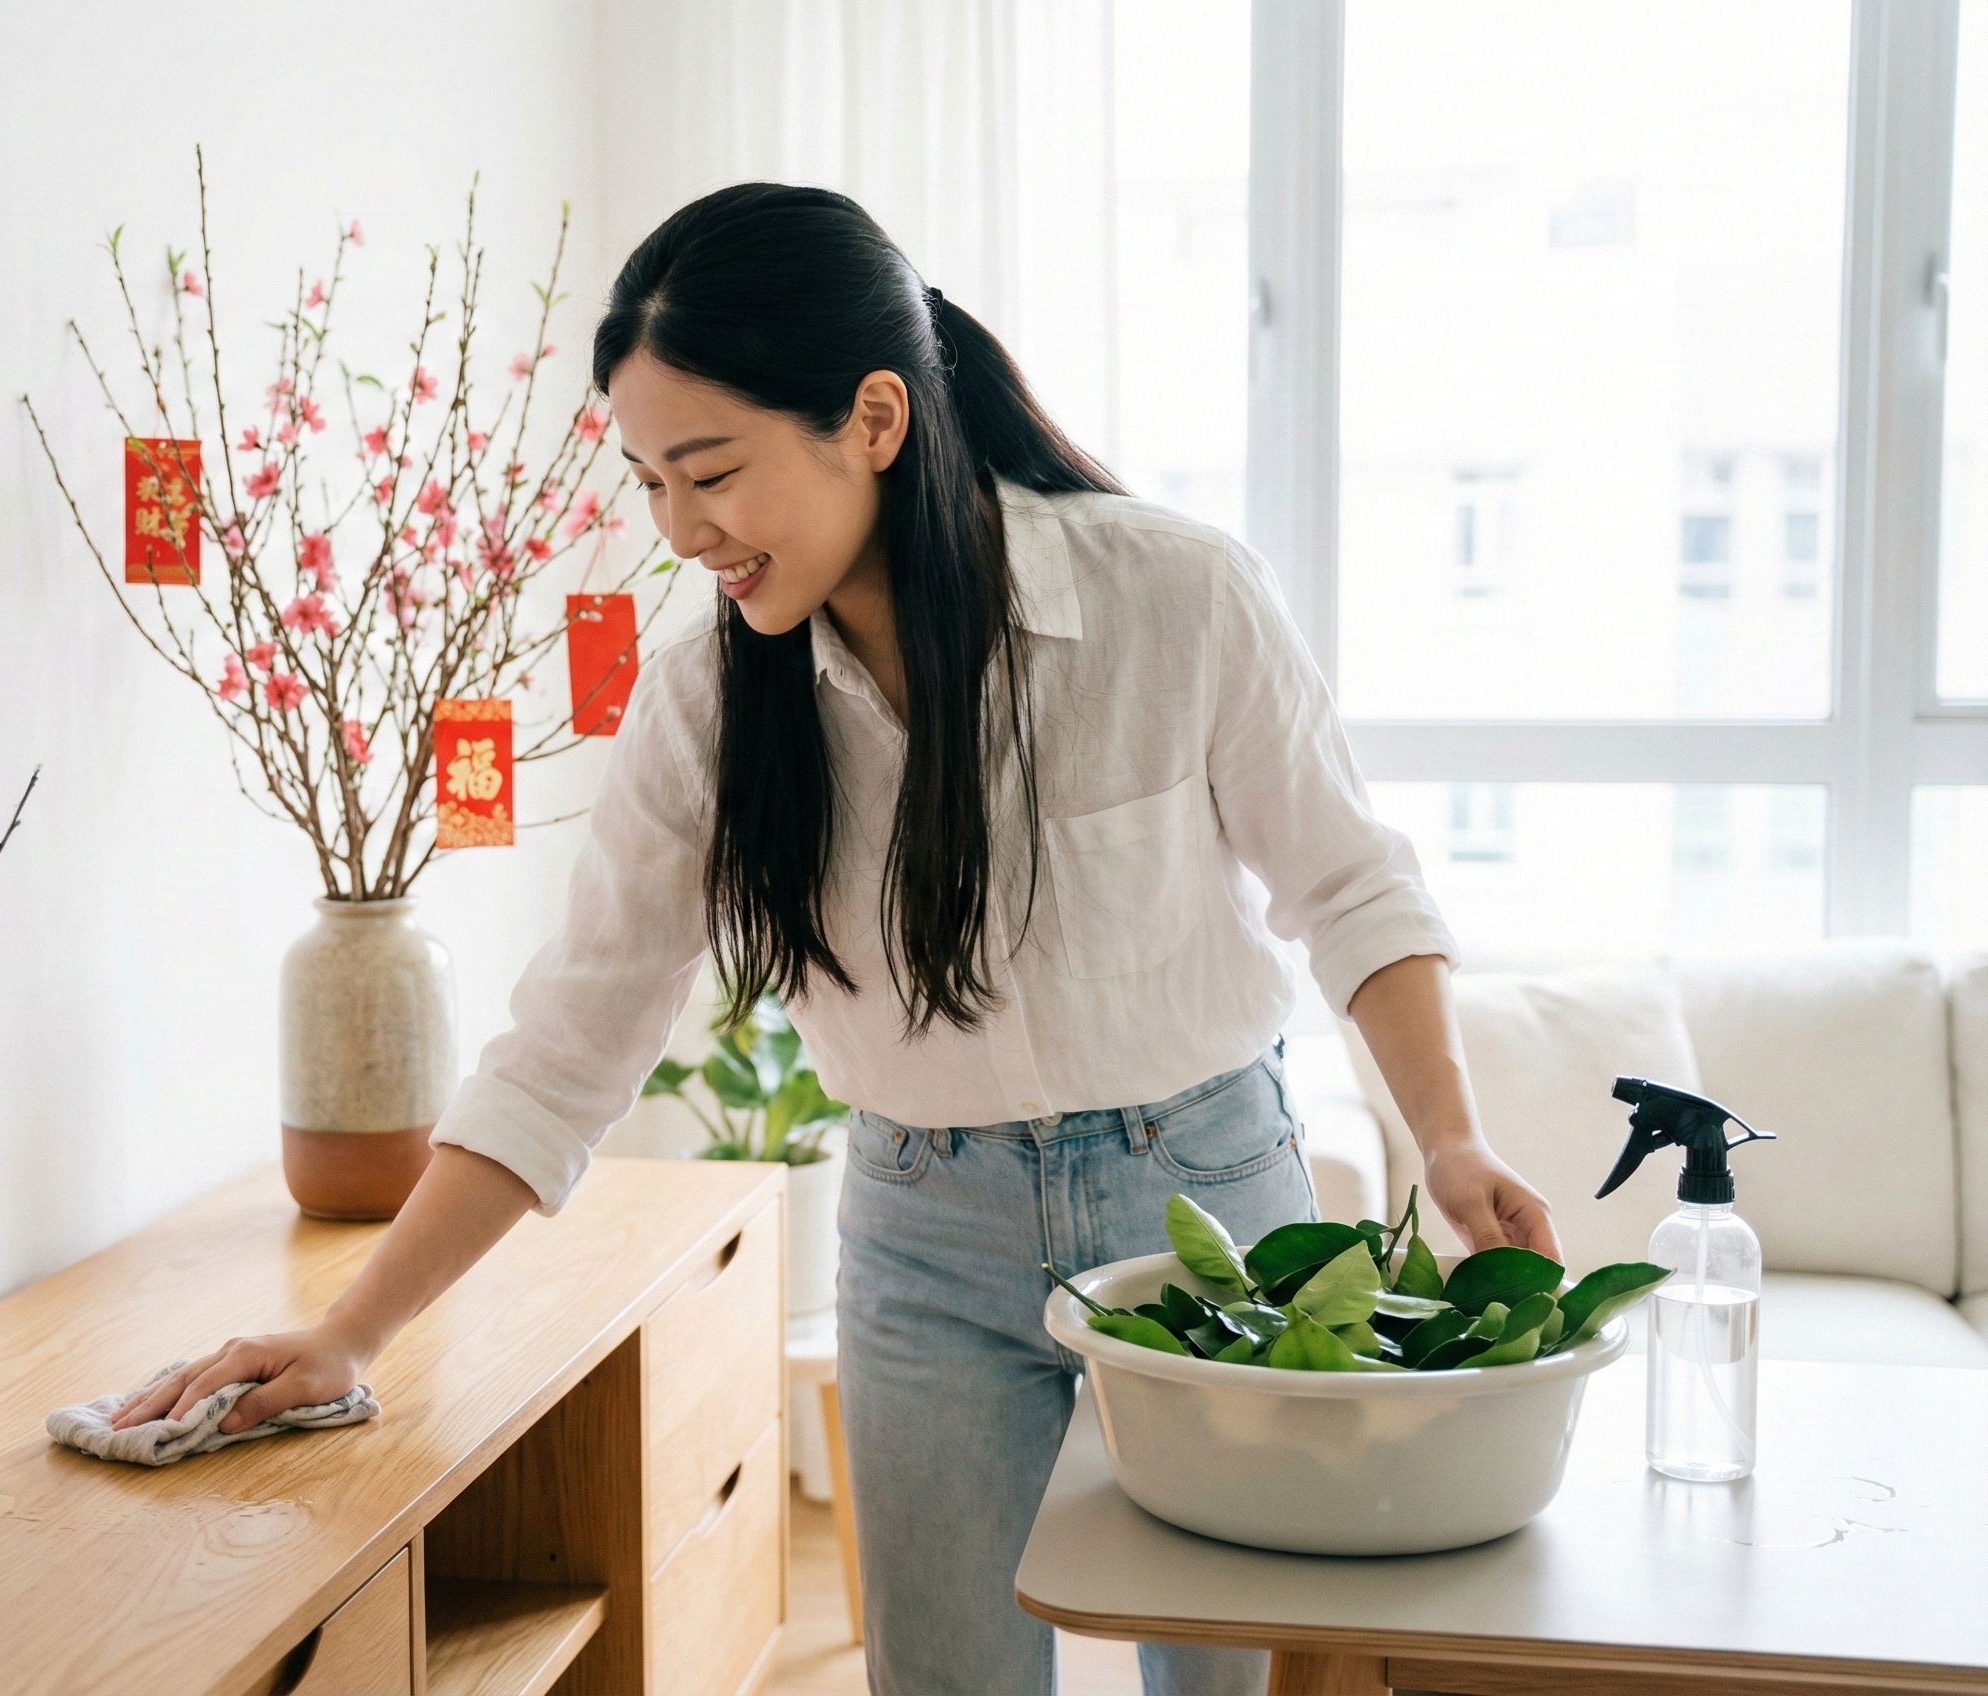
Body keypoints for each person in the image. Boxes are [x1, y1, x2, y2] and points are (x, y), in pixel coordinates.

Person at [114, 183, 1564, 1696]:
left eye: (713, 472)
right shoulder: (704, 706)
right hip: (925, 1234)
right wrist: (352, 1333)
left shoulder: (1175, 599)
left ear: (874, 418)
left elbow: (1350, 886)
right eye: (649, 484)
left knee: (1231, 1681)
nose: (680, 532)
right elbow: (567, 1048)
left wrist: (1446, 1139)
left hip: (1202, 1201)